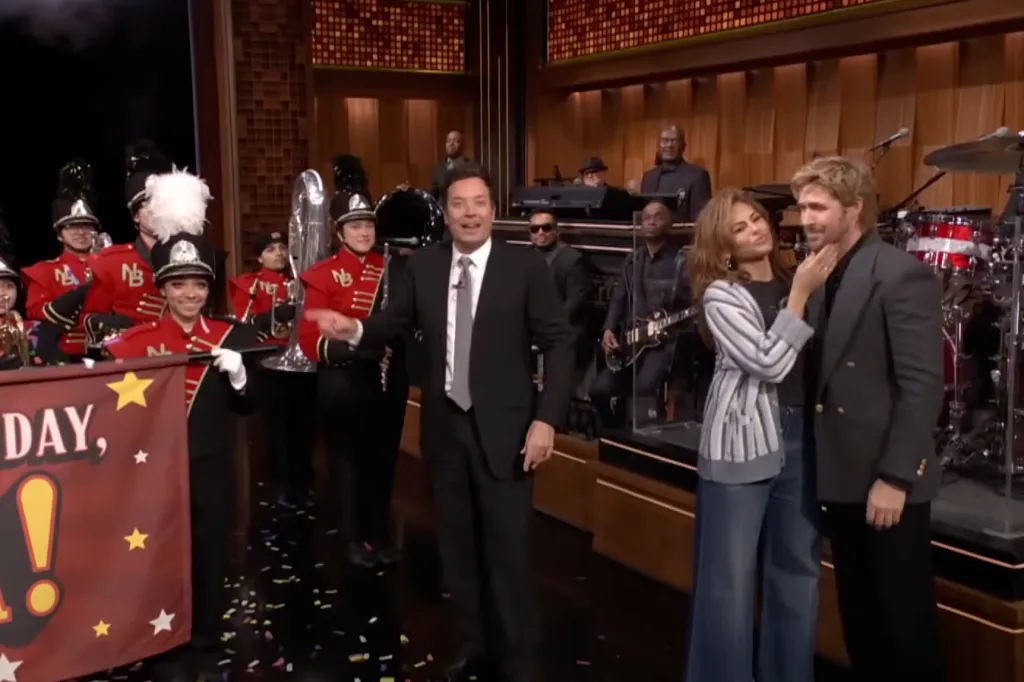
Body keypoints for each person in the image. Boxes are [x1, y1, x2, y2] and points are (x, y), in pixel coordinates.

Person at [306, 163, 574, 682]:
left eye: (479, 203)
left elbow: (560, 343)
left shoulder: (524, 267)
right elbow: (395, 321)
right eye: (459, 204)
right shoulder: (424, 266)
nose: (470, 214)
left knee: (508, 550)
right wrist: (354, 329)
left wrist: (547, 421)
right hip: (445, 430)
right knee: (457, 548)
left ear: (493, 210)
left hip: (508, 433)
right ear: (446, 214)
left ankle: (519, 658)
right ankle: (473, 645)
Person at [103, 167, 261, 682]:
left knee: (212, 550)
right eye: (179, 284)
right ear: (163, 288)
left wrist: (240, 377)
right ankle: (162, 635)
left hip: (212, 466)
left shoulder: (231, 337)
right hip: (154, 470)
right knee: (160, 552)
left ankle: (208, 635)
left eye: (198, 284)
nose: (190, 294)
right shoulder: (136, 344)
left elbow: (249, 408)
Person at [792, 156, 945, 682]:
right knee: (860, 621)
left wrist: (897, 477)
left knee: (904, 626)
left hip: (885, 480)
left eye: (818, 207)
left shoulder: (900, 273)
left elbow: (922, 385)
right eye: (802, 207)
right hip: (839, 474)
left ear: (854, 208)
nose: (806, 218)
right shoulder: (818, 272)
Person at [684, 188, 836, 682]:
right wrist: (801, 296)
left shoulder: (795, 280)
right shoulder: (721, 295)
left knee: (798, 574)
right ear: (723, 246)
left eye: (756, 219)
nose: (755, 229)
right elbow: (768, 363)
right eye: (740, 227)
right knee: (728, 584)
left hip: (801, 439)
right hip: (741, 443)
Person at [296, 191, 408, 568]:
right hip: (344, 380)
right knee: (347, 462)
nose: (364, 232)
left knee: (383, 460)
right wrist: (356, 349)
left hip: (388, 378)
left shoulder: (393, 267)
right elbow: (309, 340)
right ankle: (351, 538)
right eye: (355, 225)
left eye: (368, 224)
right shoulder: (323, 274)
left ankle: (379, 534)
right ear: (339, 231)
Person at [41, 141, 173, 354]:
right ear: (136, 215)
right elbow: (90, 319)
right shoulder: (112, 261)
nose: (156, 210)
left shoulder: (199, 254)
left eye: (162, 203)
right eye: (147, 204)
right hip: (132, 357)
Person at [227, 230, 312, 508]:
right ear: (260, 257)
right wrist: (273, 316)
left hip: (301, 360)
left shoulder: (300, 281)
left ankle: (304, 484)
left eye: (281, 247)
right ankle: (281, 486)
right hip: (269, 362)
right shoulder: (249, 285)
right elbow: (244, 324)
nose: (278, 253)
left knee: (303, 426)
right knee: (276, 428)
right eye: (271, 249)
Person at [590, 199, 689, 425]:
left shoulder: (680, 261)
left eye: (657, 217)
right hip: (630, 343)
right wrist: (608, 329)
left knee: (643, 388)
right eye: (646, 218)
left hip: (663, 345)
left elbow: (689, 309)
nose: (651, 222)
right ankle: (616, 432)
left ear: (669, 223)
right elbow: (619, 298)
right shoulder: (633, 259)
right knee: (598, 389)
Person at [21, 160, 102, 360]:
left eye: (87, 225)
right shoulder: (43, 271)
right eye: (72, 226)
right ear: (59, 235)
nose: (81, 232)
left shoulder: (112, 264)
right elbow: (36, 314)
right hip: (65, 357)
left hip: (110, 352)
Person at [527, 209, 595, 396]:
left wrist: (548, 325)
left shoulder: (572, 259)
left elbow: (576, 300)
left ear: (556, 231)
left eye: (546, 228)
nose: (541, 232)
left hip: (566, 327)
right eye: (535, 229)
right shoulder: (524, 258)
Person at [639, 125, 712, 222]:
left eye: (674, 141)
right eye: (665, 140)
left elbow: (700, 219)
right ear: (658, 146)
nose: (669, 145)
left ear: (683, 146)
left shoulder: (698, 176)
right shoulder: (648, 177)